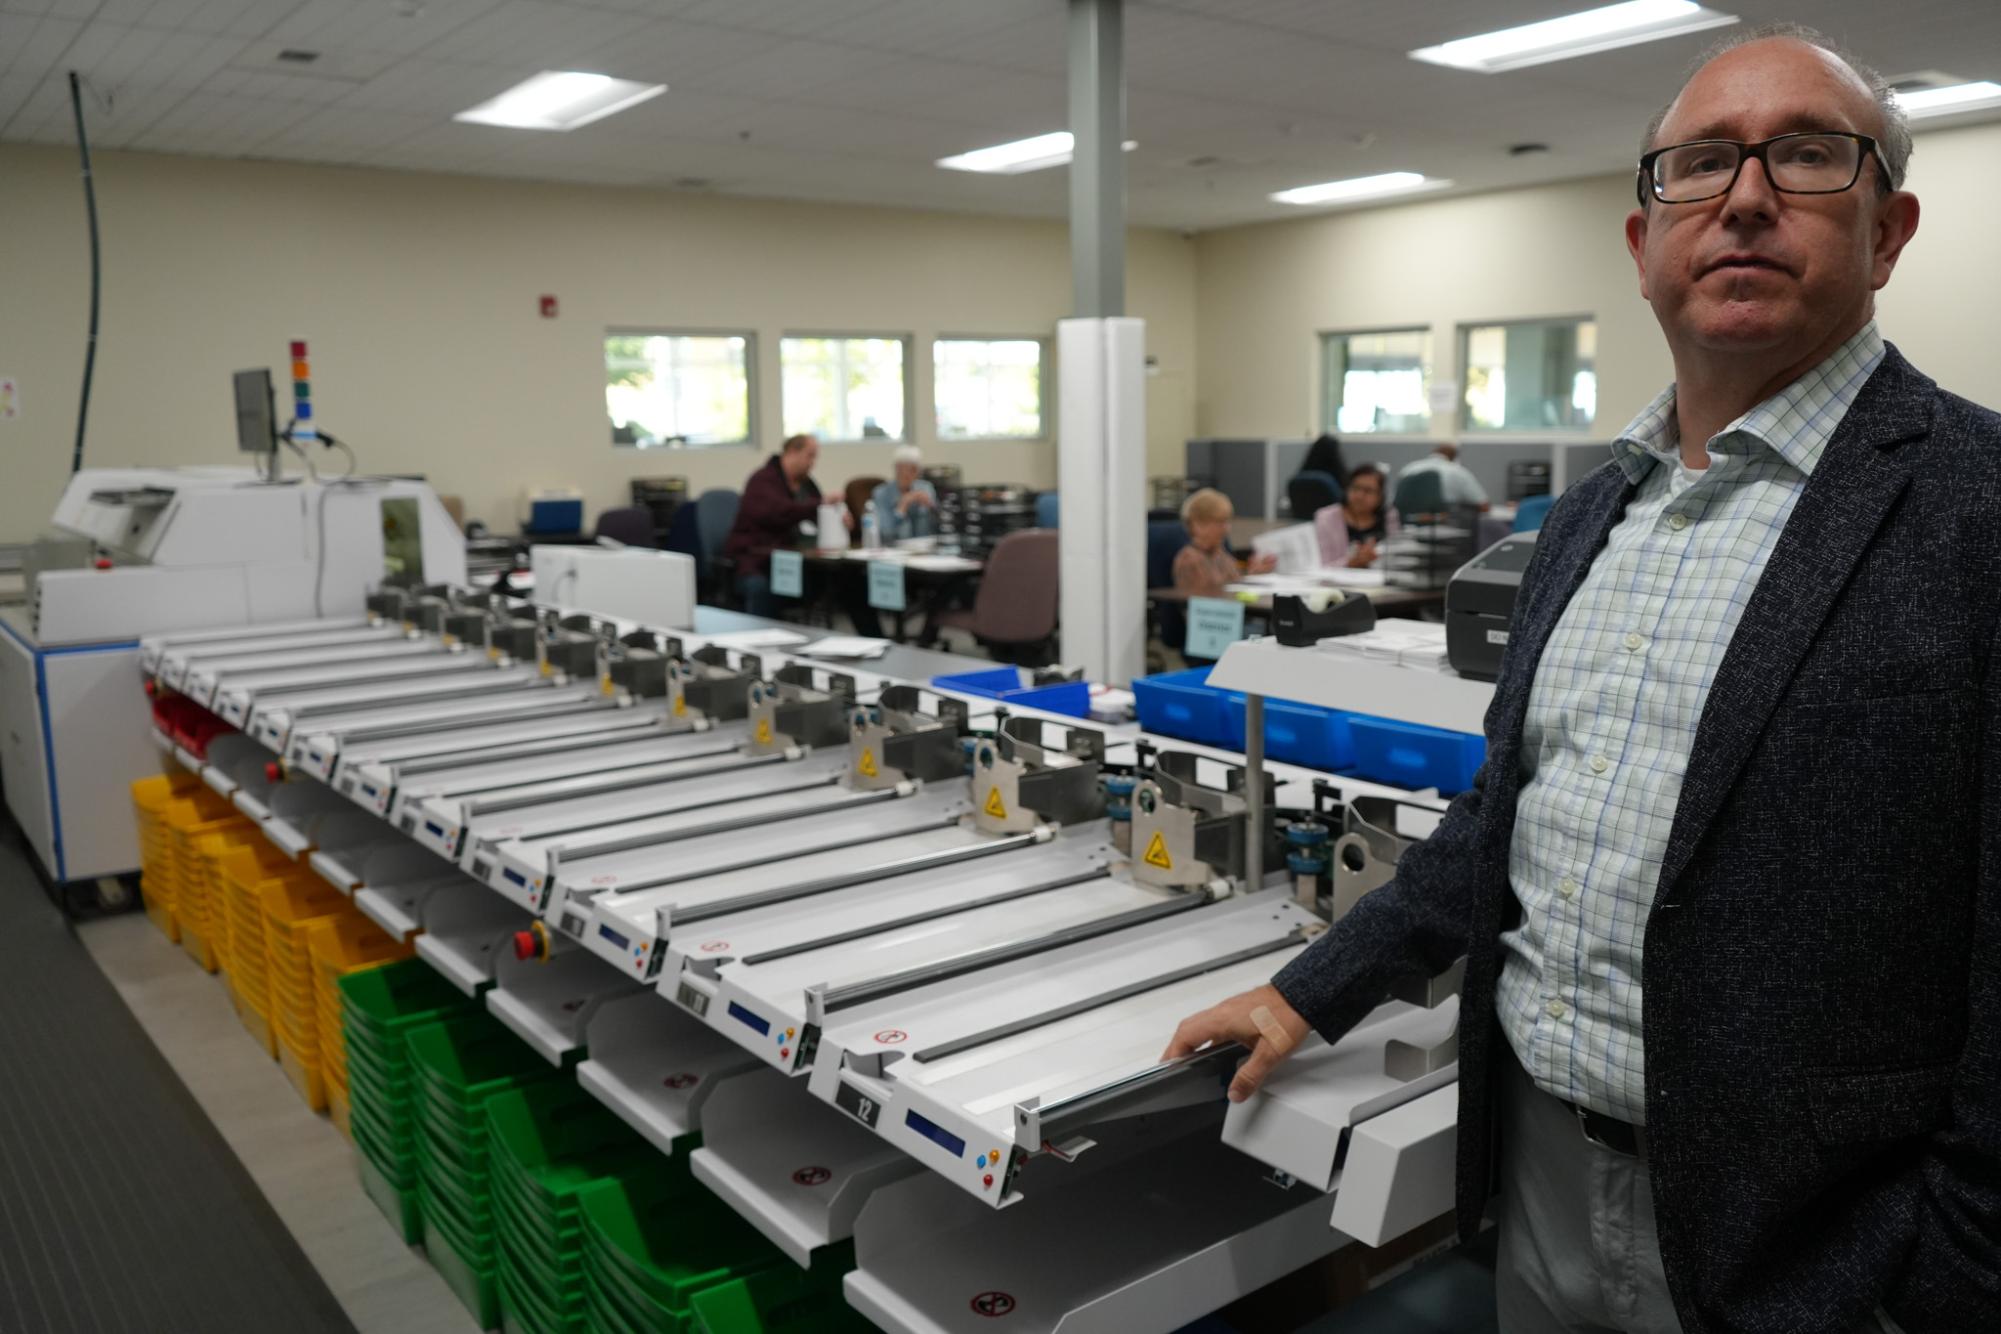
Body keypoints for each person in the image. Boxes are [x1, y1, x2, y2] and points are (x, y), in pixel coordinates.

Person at [1166, 25, 1998, 1334]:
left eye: (1804, 156)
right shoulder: (1583, 520)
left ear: (1888, 231)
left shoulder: (1977, 512)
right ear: (1641, 243)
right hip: (1535, 1169)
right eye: (1700, 165)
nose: (1743, 196)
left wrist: (1949, 1294)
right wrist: (1306, 986)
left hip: (1819, 1241)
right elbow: (1506, 814)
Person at [722, 433, 828, 616]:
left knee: (837, 580)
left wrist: (836, 517)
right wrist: (819, 505)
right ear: (792, 452)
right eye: (809, 456)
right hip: (755, 561)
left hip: (793, 559)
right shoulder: (762, 480)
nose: (813, 463)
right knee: (763, 588)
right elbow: (779, 513)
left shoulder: (806, 484)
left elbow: (817, 513)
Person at [1171, 488, 1275, 599]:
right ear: (1198, 524)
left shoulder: (1221, 555)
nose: (1226, 529)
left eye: (1227, 522)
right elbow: (1203, 603)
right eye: (1220, 522)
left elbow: (1235, 586)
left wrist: (1253, 575)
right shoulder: (1189, 559)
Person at [1311, 462, 1397, 568]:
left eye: (1368, 491)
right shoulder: (1326, 518)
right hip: (1338, 580)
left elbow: (1396, 555)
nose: (1360, 496)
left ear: (1380, 497)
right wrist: (1351, 562)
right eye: (1355, 488)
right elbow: (1322, 565)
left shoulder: (1389, 516)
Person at [870, 445, 939, 544]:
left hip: (924, 548)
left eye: (914, 470)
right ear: (896, 469)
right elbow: (886, 534)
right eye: (904, 469)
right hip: (895, 548)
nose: (908, 474)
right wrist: (901, 508)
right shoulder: (881, 493)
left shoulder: (926, 488)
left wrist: (932, 508)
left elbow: (940, 528)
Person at [1395, 442, 1490, 512]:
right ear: (1454, 458)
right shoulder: (1458, 472)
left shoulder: (1408, 468)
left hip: (1405, 526)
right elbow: (1483, 505)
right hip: (1444, 525)